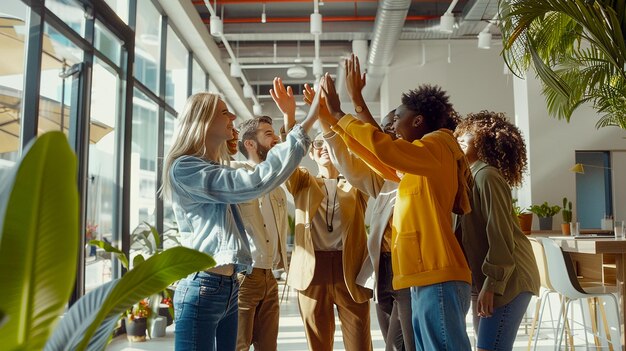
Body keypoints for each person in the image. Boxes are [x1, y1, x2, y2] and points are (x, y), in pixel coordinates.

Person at [319, 72, 473, 351]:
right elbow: (380, 158)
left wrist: (341, 113)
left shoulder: (438, 143)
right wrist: (336, 124)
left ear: (417, 121)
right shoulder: (420, 162)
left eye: (396, 119)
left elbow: (385, 149)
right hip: (422, 275)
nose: (392, 127)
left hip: (437, 275)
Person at [160, 90, 316, 351]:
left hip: (229, 285)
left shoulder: (214, 167)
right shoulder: (185, 168)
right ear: (204, 120)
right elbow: (254, 182)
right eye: (224, 112)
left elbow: (267, 178)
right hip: (202, 287)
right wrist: (307, 121)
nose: (232, 115)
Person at [304, 57, 414, 350]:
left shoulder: (414, 163)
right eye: (387, 125)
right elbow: (363, 161)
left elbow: (372, 151)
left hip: (398, 268)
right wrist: (329, 125)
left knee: (395, 343)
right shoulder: (383, 175)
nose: (388, 129)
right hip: (382, 268)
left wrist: (349, 107)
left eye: (393, 123)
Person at [272, 77, 373, 351]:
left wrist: (332, 120)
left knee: (360, 344)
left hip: (349, 270)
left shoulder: (355, 184)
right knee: (318, 344)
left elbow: (363, 162)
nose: (324, 148)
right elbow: (285, 162)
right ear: (312, 155)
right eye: (317, 146)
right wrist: (289, 117)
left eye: (328, 145)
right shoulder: (304, 182)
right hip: (311, 272)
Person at [454, 111, 540, 351]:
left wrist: (492, 284)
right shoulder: (468, 176)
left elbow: (499, 233)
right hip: (486, 280)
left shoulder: (487, 176)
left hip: (508, 280)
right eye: (460, 133)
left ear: (484, 140)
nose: (461, 137)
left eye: (469, 134)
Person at [231, 115, 290, 351]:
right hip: (245, 275)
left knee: (268, 347)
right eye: (268, 134)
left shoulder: (275, 185)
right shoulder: (235, 174)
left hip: (269, 276)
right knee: (238, 345)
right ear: (250, 144)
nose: (275, 138)